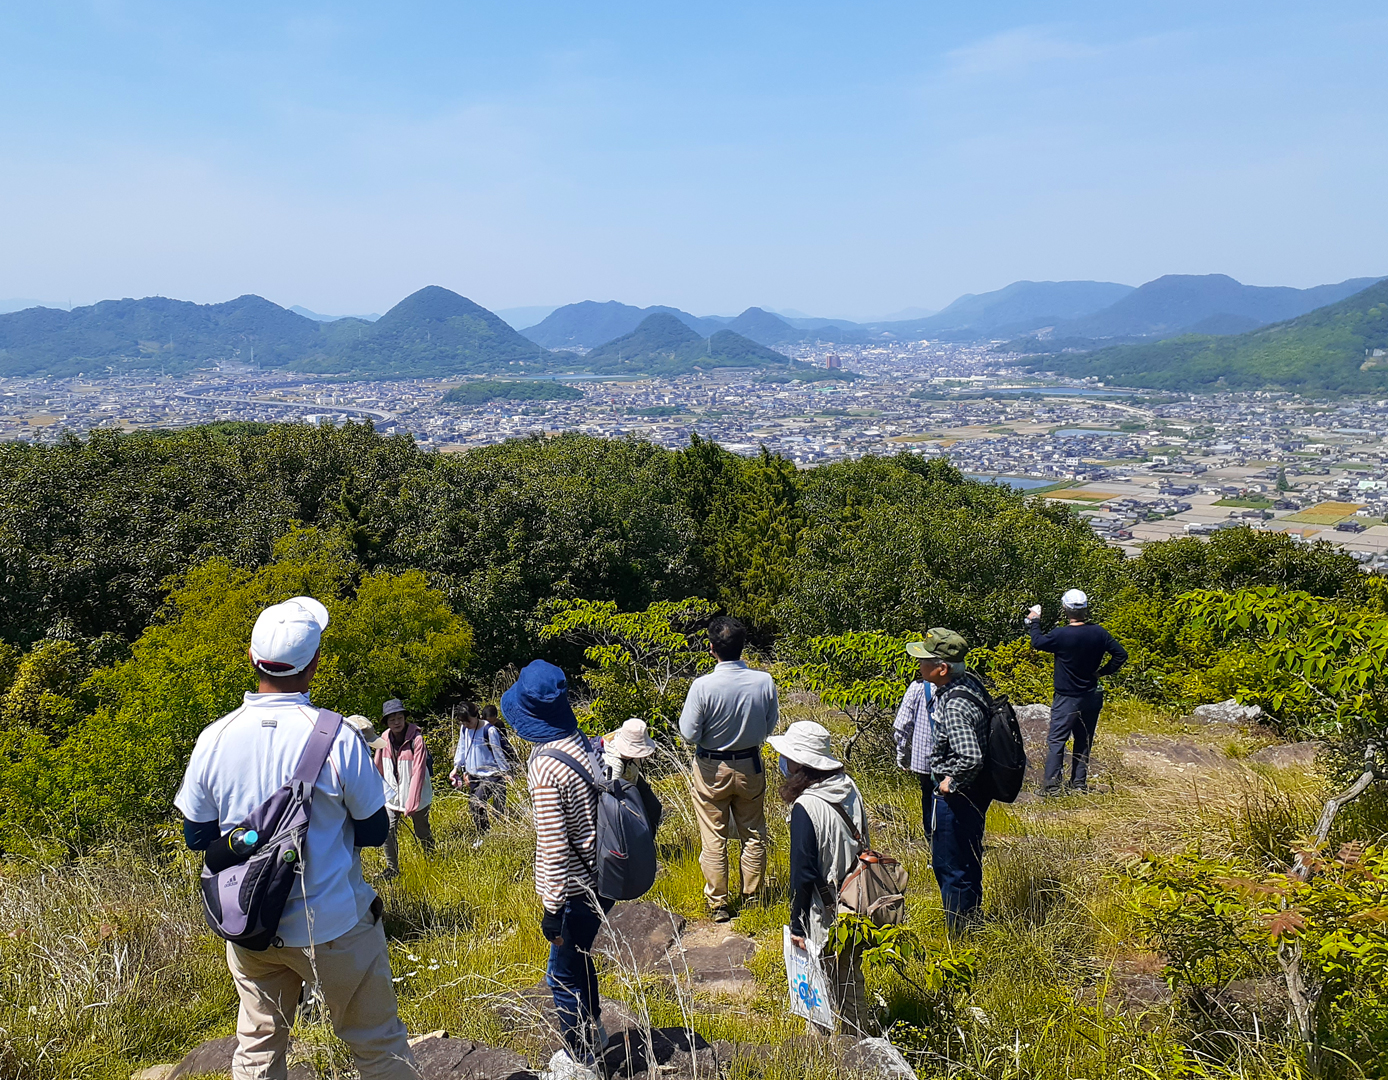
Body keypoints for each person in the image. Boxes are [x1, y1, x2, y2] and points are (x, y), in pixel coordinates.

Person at [174, 597, 417, 1080]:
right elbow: (374, 830)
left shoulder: (215, 737)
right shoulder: (338, 736)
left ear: (252, 657)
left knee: (259, 1046)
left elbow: (197, 835)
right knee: (376, 1045)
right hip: (332, 922)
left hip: (250, 922)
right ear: (315, 664)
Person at [505, 660, 615, 1074]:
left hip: (574, 889)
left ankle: (580, 1057)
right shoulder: (579, 740)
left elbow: (552, 842)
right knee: (580, 959)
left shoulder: (545, 765)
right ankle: (596, 1032)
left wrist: (552, 907)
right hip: (603, 875)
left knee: (561, 976)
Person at [769, 720, 871, 1038]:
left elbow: (803, 873)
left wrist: (797, 924)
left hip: (823, 907)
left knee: (816, 981)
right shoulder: (847, 786)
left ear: (801, 763)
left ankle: (822, 1052)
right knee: (850, 977)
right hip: (857, 897)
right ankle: (862, 1044)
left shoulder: (806, 806)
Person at [678, 615, 779, 923]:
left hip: (711, 766)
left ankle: (718, 903)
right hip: (750, 763)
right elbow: (770, 725)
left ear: (711, 648)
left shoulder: (702, 686)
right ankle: (752, 896)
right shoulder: (763, 681)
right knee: (753, 834)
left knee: (713, 836)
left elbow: (689, 733)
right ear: (742, 646)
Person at [910, 628, 993, 934]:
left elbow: (970, 756)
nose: (919, 666)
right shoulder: (969, 682)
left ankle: (958, 936)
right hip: (975, 792)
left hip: (958, 796)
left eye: (924, 661)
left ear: (942, 668)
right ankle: (971, 922)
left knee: (950, 865)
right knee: (967, 859)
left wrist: (950, 783)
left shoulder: (955, 704)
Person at [1025, 588, 1129, 796]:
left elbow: (1037, 642)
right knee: (1083, 739)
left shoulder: (1061, 635)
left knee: (1057, 740)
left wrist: (1034, 621)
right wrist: (1102, 672)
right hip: (1091, 694)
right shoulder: (1098, 632)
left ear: (1065, 609)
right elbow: (1121, 654)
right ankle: (1078, 784)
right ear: (1085, 608)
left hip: (1067, 697)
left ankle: (1053, 787)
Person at [375, 697, 434, 879]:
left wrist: (413, 801)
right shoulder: (383, 739)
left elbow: (418, 771)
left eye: (399, 717)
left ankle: (432, 860)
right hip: (392, 796)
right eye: (392, 719)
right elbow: (377, 766)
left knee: (421, 831)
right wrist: (374, 795)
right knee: (387, 831)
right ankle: (392, 869)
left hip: (418, 795)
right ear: (386, 722)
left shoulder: (417, 739)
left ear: (405, 718)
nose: (396, 722)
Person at [449, 701, 511, 846]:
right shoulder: (464, 730)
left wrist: (505, 772)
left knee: (476, 803)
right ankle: (485, 835)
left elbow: (498, 752)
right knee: (474, 808)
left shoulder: (489, 730)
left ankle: (485, 836)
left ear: (476, 716)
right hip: (473, 776)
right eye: (462, 722)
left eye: (468, 721)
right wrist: (457, 768)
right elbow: (462, 749)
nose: (466, 724)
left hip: (491, 775)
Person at [891, 659, 935, 839]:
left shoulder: (918, 688)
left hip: (925, 758)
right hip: (957, 761)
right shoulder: (964, 685)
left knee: (929, 799)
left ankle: (932, 842)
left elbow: (902, 726)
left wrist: (902, 753)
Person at [599, 716, 663, 835]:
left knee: (654, 808)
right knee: (633, 818)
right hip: (619, 788)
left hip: (633, 778)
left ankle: (648, 844)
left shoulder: (632, 733)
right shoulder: (614, 764)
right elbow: (610, 795)